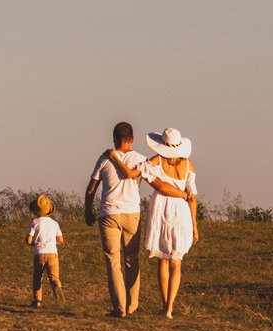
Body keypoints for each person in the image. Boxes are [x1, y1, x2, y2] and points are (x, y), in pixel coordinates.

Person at [106, 127, 198, 318]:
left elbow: (132, 174)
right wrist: (194, 225)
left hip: (162, 209)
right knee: (176, 262)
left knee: (163, 261)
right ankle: (170, 308)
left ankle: (165, 305)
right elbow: (192, 197)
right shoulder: (189, 166)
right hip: (181, 210)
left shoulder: (156, 161)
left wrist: (114, 158)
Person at [84, 122, 147, 317]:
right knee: (132, 260)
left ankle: (119, 308)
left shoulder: (104, 159)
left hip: (109, 213)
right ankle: (132, 304)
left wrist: (88, 210)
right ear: (132, 139)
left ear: (113, 139)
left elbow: (91, 188)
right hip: (132, 214)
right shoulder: (140, 159)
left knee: (113, 261)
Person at [26, 194, 63, 307]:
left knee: (37, 277)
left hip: (39, 254)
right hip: (52, 253)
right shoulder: (54, 223)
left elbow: (28, 240)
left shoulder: (35, 223)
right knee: (53, 277)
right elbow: (60, 240)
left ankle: (37, 301)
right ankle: (56, 286)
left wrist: (35, 244)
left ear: (35, 211)